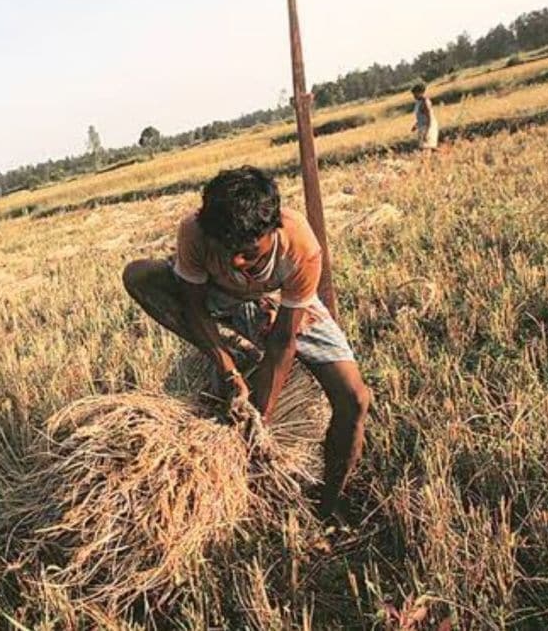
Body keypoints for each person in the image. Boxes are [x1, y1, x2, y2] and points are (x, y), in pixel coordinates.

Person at [122, 166, 371, 518]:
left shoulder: (300, 245)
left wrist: (257, 422)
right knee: (139, 275)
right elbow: (194, 307)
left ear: (273, 229)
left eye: (249, 252)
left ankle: (330, 502)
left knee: (355, 399)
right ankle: (233, 347)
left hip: (284, 302)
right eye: (226, 250)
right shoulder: (194, 231)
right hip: (219, 297)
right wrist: (227, 369)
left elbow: (283, 342)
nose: (237, 261)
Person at [411, 84, 439, 152]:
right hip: (422, 126)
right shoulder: (419, 102)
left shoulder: (425, 102)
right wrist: (416, 125)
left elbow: (429, 117)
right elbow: (421, 116)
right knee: (427, 147)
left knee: (426, 147)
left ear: (420, 92)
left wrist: (427, 131)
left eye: (415, 93)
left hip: (428, 126)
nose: (414, 96)